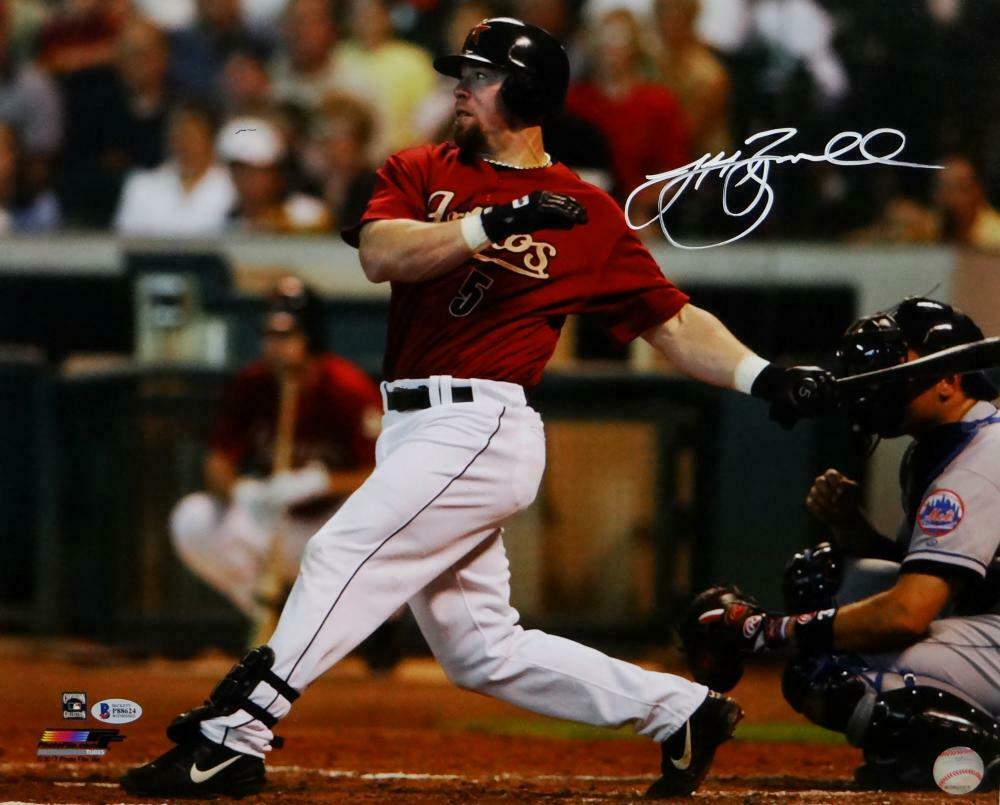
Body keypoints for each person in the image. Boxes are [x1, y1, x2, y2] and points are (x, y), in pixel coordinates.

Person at [121, 18, 834, 799]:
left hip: (481, 424)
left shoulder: (586, 211)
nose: (460, 85)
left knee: (339, 551)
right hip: (411, 427)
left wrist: (764, 376)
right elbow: (380, 252)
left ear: (526, 92)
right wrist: (488, 222)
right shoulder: (423, 167)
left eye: (481, 75)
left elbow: (673, 322)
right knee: (480, 650)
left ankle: (236, 734)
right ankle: (683, 709)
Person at [680, 297, 1000, 791]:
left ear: (949, 378)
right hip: (988, 623)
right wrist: (852, 529)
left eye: (897, 367)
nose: (879, 385)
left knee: (829, 672)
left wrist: (765, 632)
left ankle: (983, 755)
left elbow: (906, 614)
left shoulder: (980, 457)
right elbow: (929, 573)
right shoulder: (936, 448)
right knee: (821, 575)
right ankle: (921, 747)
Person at [169, 277, 383, 639]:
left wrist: (320, 482)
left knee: (394, 525)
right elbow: (218, 463)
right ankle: (269, 616)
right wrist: (242, 492)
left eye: (287, 336)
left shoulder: (347, 387)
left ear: (311, 338)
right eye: (270, 335)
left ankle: (372, 631)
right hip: (275, 523)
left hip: (331, 527)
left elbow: (383, 473)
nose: (275, 347)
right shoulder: (252, 384)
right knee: (193, 518)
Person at [113, 100, 236, 236]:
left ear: (210, 138)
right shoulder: (140, 186)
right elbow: (125, 242)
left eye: (193, 135)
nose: (185, 143)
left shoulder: (233, 187)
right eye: (179, 134)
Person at [216, 114, 330, 233]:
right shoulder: (220, 219)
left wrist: (277, 223)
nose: (252, 181)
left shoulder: (304, 211)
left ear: (276, 174)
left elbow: (321, 220)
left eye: (261, 172)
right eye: (243, 172)